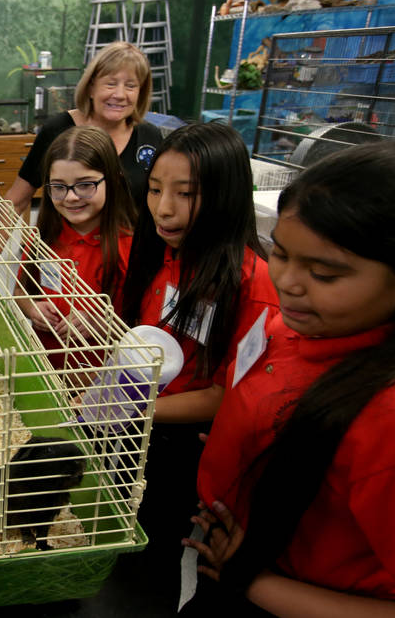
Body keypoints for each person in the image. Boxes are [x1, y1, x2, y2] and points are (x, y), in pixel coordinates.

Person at [185, 142, 395, 616]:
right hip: (235, 546)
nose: (288, 282)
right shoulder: (303, 324)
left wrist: (255, 584)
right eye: (279, 254)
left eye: (324, 273)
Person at [110, 122, 278, 615]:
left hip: (182, 448)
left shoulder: (252, 284)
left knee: (153, 554)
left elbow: (227, 395)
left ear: (225, 196)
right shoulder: (163, 254)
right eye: (156, 190)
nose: (163, 208)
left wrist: (135, 410)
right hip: (139, 424)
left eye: (186, 194)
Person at [14, 125, 136, 366]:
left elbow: (143, 326)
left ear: (112, 180)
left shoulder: (130, 245)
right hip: (46, 369)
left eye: (85, 185)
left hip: (102, 381)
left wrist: (102, 322)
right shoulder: (43, 239)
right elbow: (20, 291)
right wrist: (32, 309)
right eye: (58, 187)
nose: (70, 197)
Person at [4, 41, 163, 217]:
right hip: (64, 242)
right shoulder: (58, 130)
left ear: (141, 92)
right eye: (110, 84)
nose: (119, 95)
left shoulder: (150, 136)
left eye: (130, 86)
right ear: (90, 88)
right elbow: (16, 200)